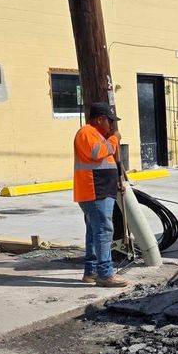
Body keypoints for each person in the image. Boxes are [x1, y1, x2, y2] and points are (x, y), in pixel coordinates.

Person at [74, 101, 128, 288]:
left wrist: (117, 182)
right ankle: (105, 274)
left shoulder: (97, 135)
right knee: (104, 231)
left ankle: (91, 272)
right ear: (99, 119)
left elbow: (106, 162)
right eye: (110, 121)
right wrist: (114, 139)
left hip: (101, 190)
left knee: (94, 232)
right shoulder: (87, 133)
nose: (112, 126)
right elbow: (97, 153)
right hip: (94, 191)